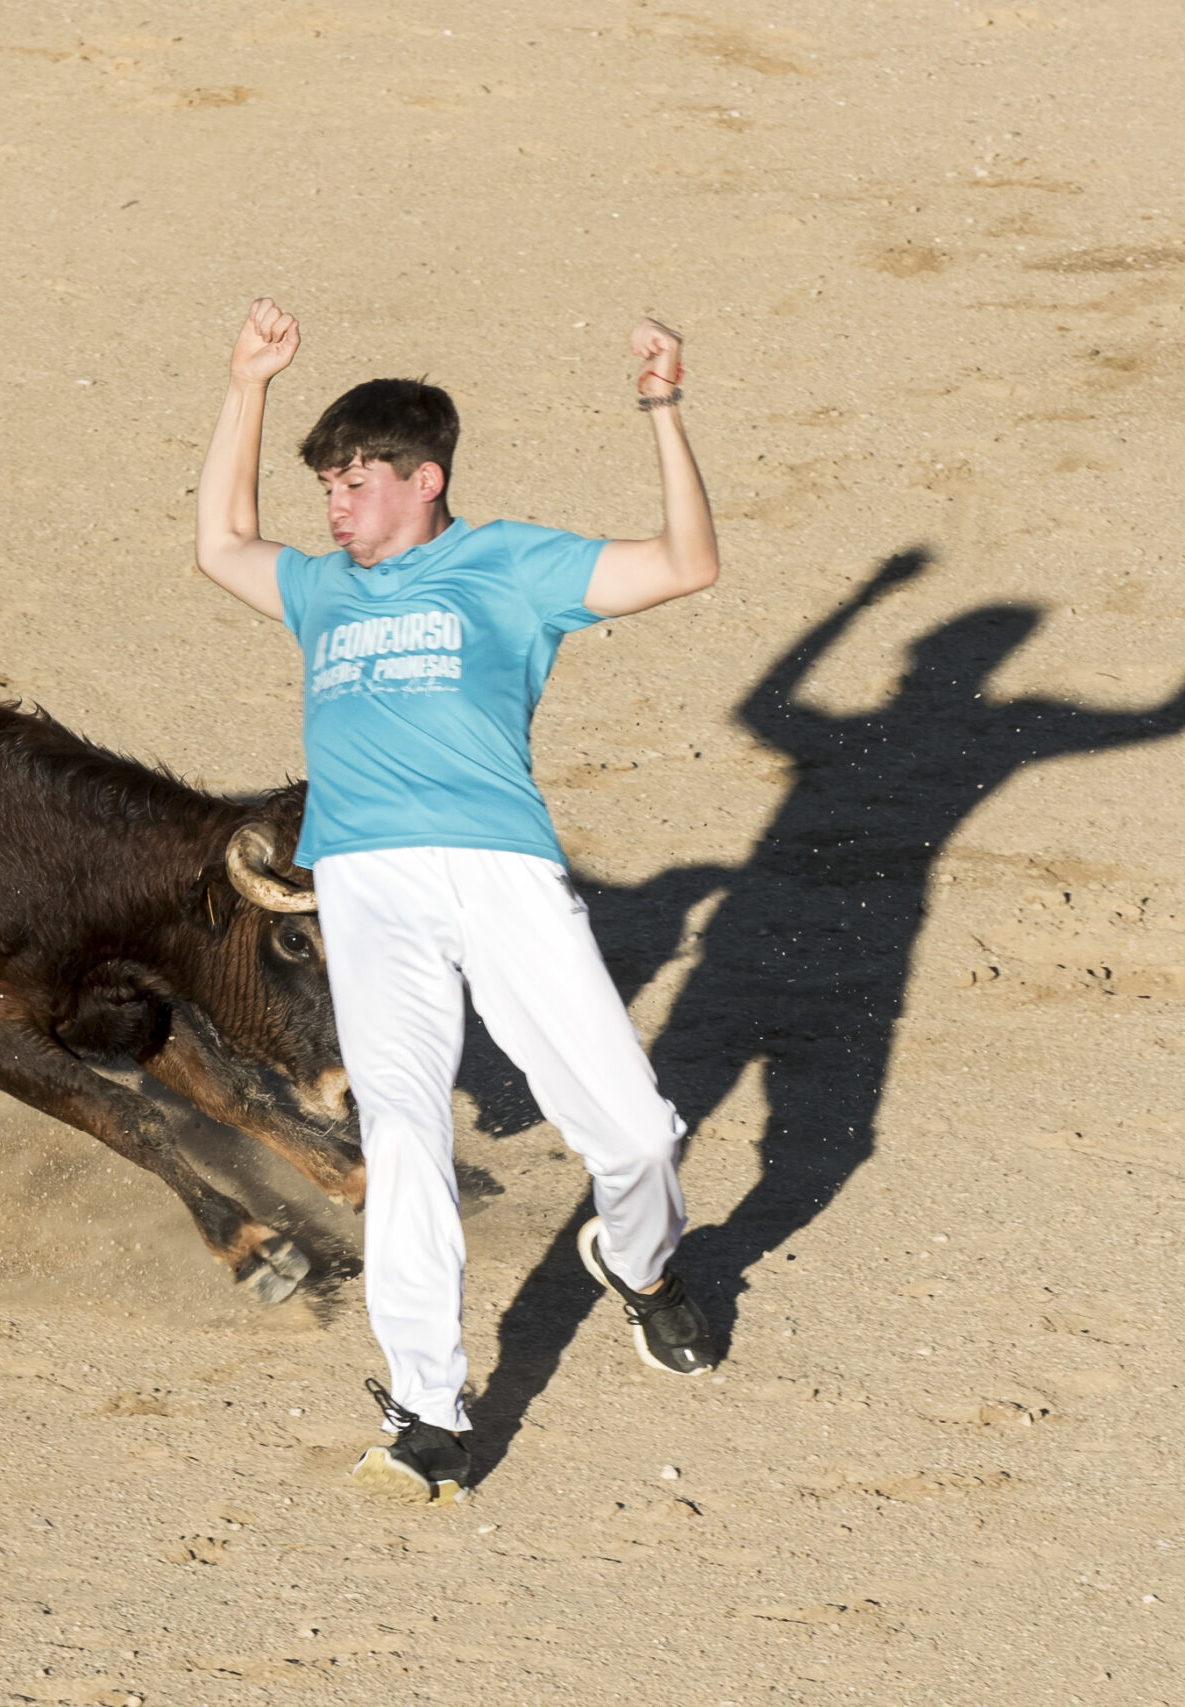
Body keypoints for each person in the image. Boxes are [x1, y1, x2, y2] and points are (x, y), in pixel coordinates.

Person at [192, 298, 723, 1503]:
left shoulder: (512, 565)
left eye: (357, 479)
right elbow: (221, 543)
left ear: (425, 480)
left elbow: (687, 563)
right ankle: (429, 1409)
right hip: (368, 890)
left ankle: (638, 1270)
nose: (334, 504)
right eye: (325, 482)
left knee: (637, 1134)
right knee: (405, 1137)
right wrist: (246, 387)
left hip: (500, 873)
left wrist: (662, 408)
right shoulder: (323, 592)